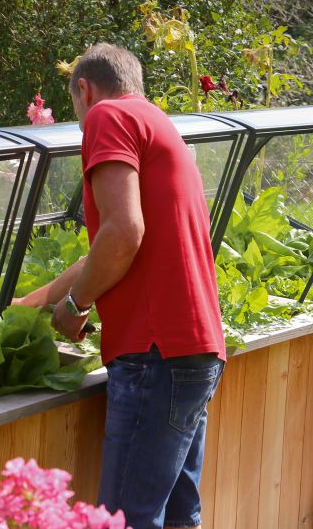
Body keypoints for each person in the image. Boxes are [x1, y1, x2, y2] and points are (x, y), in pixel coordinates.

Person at [14, 43, 226, 529]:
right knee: (179, 517)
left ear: (84, 90)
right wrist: (33, 302)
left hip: (155, 354)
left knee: (123, 522)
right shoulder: (156, 122)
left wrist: (76, 305)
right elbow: (108, 249)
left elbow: (124, 232)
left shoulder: (107, 117)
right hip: (190, 353)